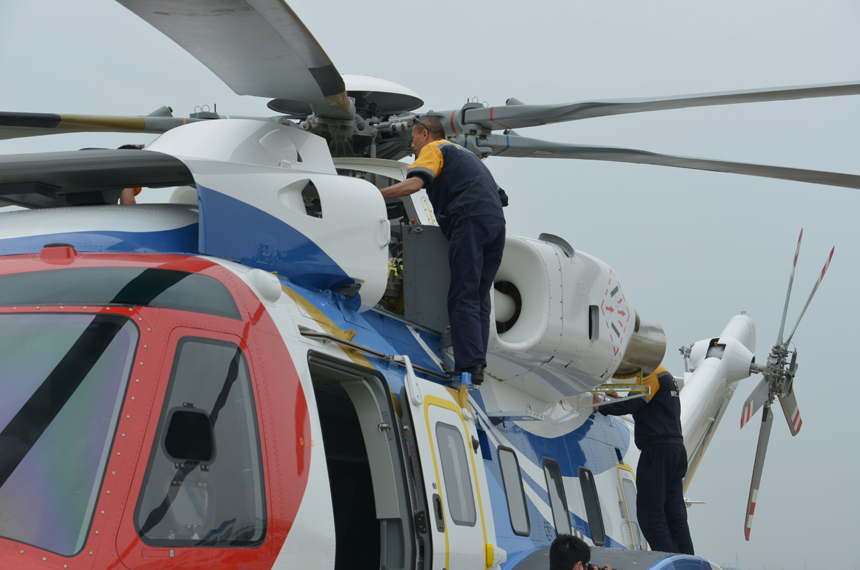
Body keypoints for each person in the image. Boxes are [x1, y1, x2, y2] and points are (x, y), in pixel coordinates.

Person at [381, 115, 506, 384]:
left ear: (425, 134)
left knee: (463, 294)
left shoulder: (434, 149)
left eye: (413, 138)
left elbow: (415, 184)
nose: (412, 146)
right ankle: (475, 367)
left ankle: (467, 366)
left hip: (469, 221)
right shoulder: (468, 156)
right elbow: (501, 196)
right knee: (479, 296)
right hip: (496, 224)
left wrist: (375, 194)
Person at [592, 365, 694, 555]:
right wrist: (618, 399)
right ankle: (688, 562)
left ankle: (670, 561)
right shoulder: (665, 375)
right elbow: (646, 406)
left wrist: (600, 406)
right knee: (675, 515)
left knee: (650, 514)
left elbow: (632, 405)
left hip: (658, 451)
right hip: (675, 449)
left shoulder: (650, 374)